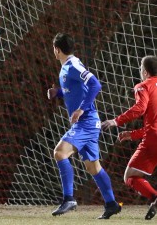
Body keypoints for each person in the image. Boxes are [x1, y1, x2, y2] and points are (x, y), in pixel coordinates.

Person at [47, 33, 121, 219]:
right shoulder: (66, 67)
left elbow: (95, 85)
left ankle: (69, 199)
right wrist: (58, 93)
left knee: (60, 152)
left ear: (57, 49)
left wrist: (80, 109)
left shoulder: (73, 65)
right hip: (88, 122)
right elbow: (77, 91)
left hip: (86, 122)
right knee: (93, 167)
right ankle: (111, 204)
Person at [102, 55, 157, 220]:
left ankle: (154, 197)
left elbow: (140, 108)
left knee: (130, 176)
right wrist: (132, 135)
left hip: (154, 139)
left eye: (141, 68)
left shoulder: (143, 86)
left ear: (146, 72)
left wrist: (116, 121)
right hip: (152, 134)